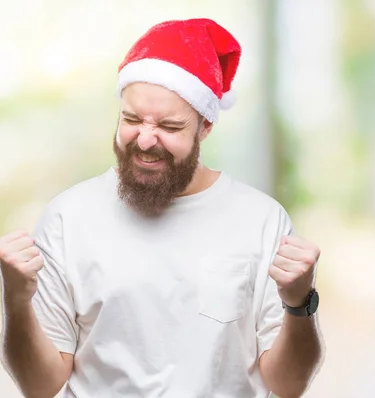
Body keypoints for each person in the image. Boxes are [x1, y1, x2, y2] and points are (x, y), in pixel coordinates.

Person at [0, 18, 324, 398]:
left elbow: (289, 385)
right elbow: (39, 387)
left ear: (205, 127)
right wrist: (16, 301)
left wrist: (300, 302)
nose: (146, 139)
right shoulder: (67, 218)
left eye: (169, 127)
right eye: (132, 119)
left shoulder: (262, 221)